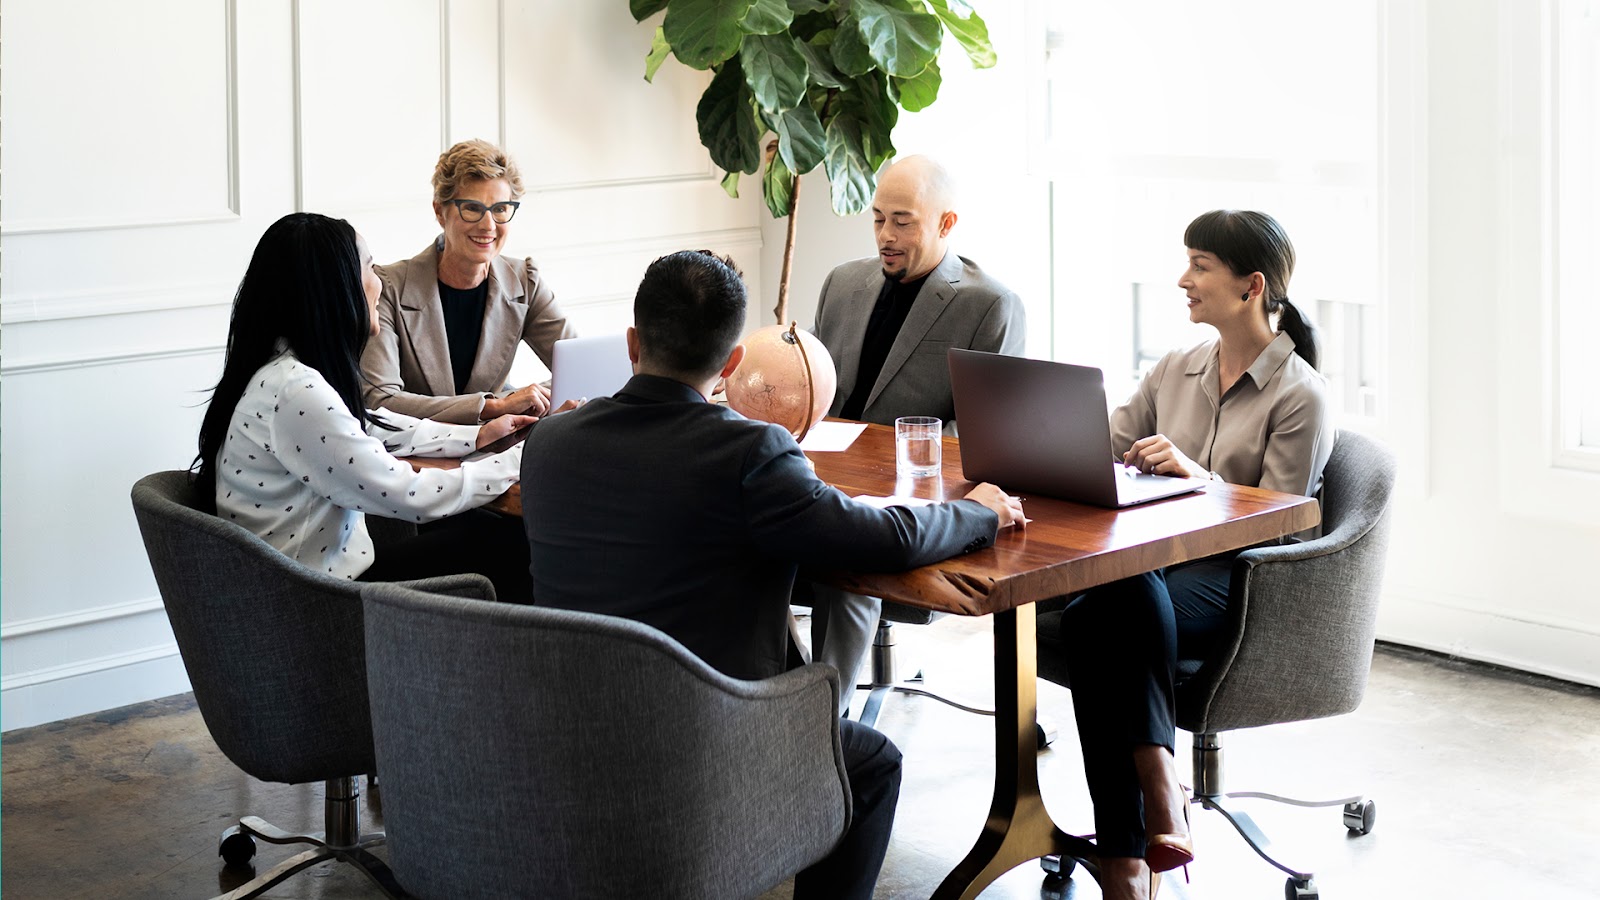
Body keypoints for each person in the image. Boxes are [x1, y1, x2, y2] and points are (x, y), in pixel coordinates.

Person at [519, 250, 1026, 900]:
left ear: (632, 344)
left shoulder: (550, 442)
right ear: (732, 364)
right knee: (869, 763)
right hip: (706, 740)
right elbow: (883, 539)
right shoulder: (749, 452)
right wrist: (974, 512)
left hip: (565, 727)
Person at [1050, 210, 1336, 900]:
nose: (1184, 279)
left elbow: (1283, 521)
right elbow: (1103, 447)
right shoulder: (1175, 369)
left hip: (1240, 579)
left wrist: (1198, 479)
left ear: (1251, 286)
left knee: (1104, 607)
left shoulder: (1300, 395)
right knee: (1107, 603)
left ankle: (1127, 847)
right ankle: (1154, 796)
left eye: (1201, 265)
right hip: (1150, 571)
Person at [194, 212, 539, 601]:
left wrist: (480, 436)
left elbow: (374, 426)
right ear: (336, 287)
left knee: (486, 532)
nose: (380, 281)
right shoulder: (295, 391)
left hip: (301, 585)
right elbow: (409, 494)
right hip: (320, 602)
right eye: (371, 266)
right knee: (511, 540)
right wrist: (518, 461)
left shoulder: (281, 371)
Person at [807, 154, 1027, 706]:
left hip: (911, 497)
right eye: (878, 218)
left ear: (946, 224)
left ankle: (822, 729)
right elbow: (812, 389)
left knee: (848, 558)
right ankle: (765, 704)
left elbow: (984, 434)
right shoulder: (843, 283)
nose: (885, 235)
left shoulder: (989, 304)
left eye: (902, 221)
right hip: (817, 479)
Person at [360, 138, 575, 425]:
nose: (488, 225)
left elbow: (580, 371)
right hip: (420, 456)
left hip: (500, 450)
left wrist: (527, 399)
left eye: (500, 209)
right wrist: (493, 407)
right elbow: (380, 400)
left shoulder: (525, 281)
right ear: (440, 212)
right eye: (472, 208)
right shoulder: (389, 287)